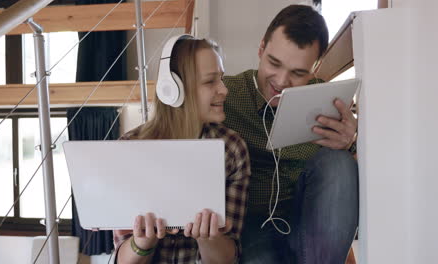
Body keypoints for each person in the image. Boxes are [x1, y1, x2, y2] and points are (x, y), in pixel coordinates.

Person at [222, 5, 358, 263]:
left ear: (315, 67)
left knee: (338, 163)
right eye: (274, 63)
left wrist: (352, 143)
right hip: (251, 225)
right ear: (261, 49)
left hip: (310, 220)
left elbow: (346, 185)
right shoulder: (226, 96)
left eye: (298, 73)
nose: (282, 81)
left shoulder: (328, 102)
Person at [114, 36, 251, 264]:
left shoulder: (232, 150)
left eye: (222, 79)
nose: (224, 90)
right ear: (173, 89)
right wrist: (142, 243)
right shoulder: (129, 149)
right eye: (210, 82)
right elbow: (122, 259)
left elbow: (227, 257)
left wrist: (208, 238)